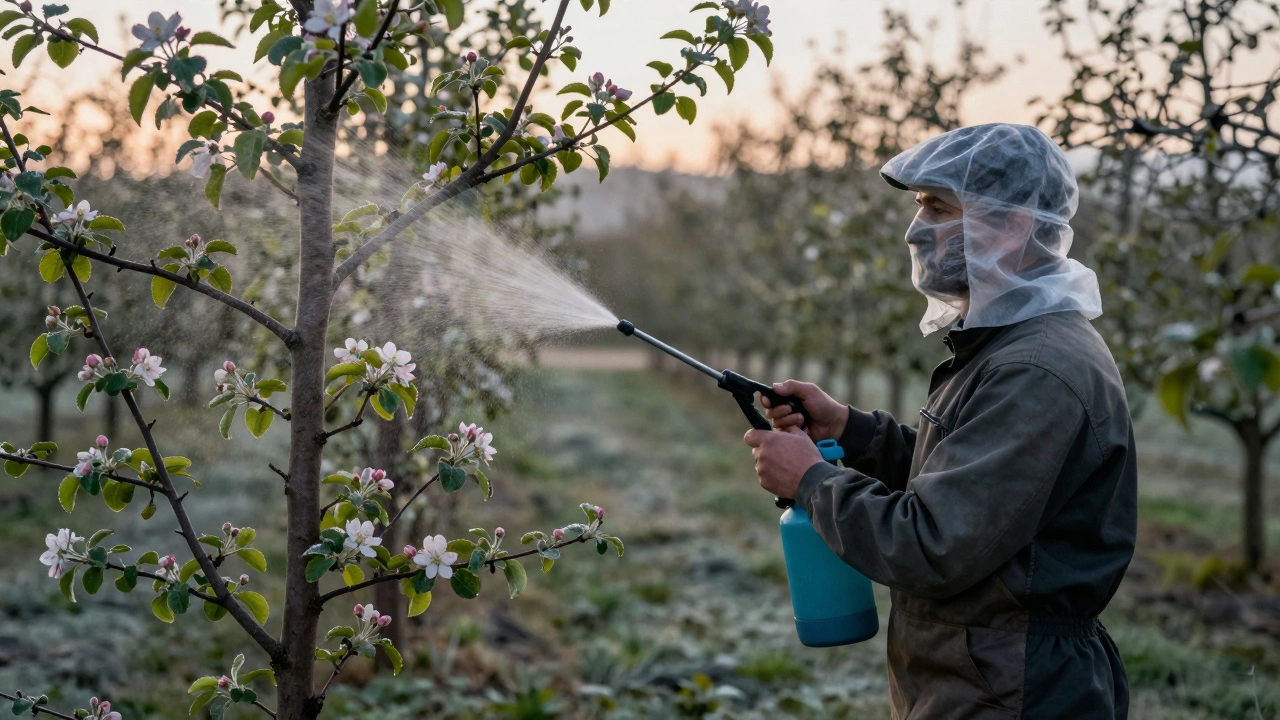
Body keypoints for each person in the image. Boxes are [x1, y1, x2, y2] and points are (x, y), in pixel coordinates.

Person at [745, 124, 1137, 720]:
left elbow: (933, 544)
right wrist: (851, 430)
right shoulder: (1012, 344)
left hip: (1009, 690)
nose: (915, 229)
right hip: (981, 673)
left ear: (1012, 225)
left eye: (937, 207)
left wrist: (812, 481)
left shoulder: (1034, 370)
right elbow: (973, 486)